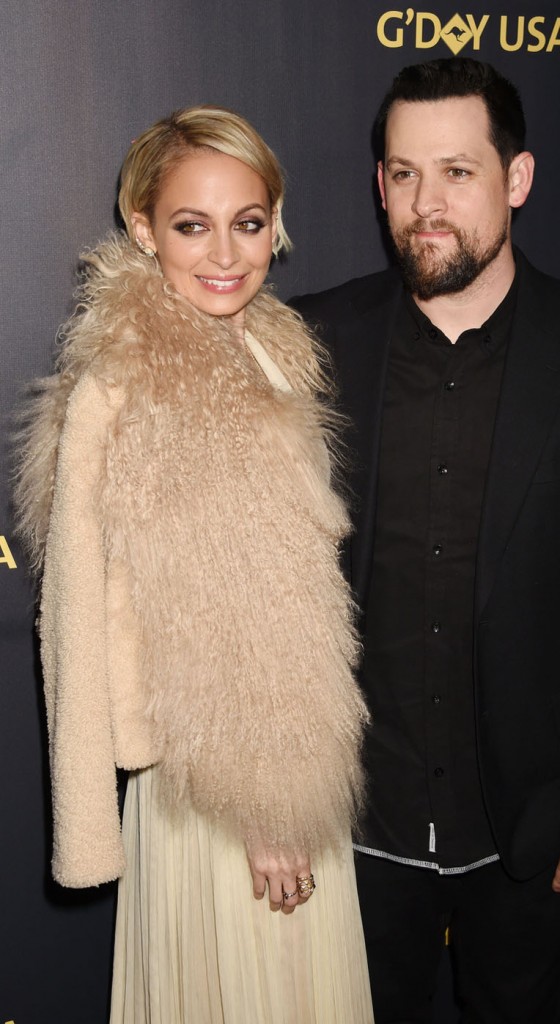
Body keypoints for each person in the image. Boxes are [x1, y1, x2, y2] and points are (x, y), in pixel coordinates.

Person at [291, 59, 560, 1023]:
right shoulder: (308, 344)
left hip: (532, 830)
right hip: (348, 831)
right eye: (402, 174)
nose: (425, 204)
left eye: (457, 173)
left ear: (516, 180)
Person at [15, 106, 374, 1024]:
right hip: (228, 797)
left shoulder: (263, 350)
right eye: (191, 224)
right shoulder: (133, 381)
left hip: (285, 777)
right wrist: (267, 809)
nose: (226, 253)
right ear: (143, 228)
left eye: (248, 223)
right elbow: (162, 621)